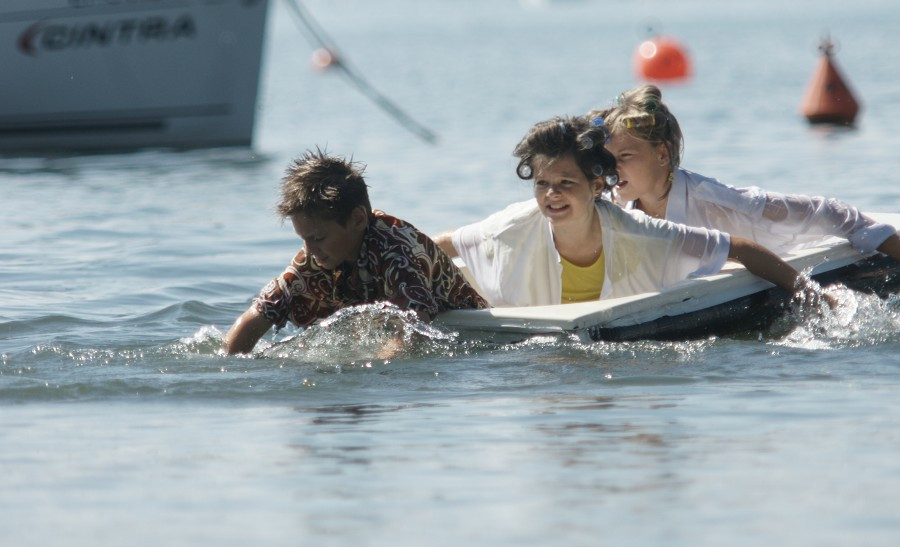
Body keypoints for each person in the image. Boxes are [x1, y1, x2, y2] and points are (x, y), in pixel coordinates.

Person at [434, 115, 820, 308]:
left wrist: (815, 300)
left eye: (566, 184)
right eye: (541, 184)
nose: (552, 195)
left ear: (597, 186)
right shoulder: (510, 227)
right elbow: (442, 243)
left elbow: (741, 248)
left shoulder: (640, 230)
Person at [594, 84, 900, 262]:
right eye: (610, 159)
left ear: (662, 154)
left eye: (625, 157)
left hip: (791, 262)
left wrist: (879, 237)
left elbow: (827, 212)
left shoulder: (713, 199)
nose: (613, 168)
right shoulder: (615, 203)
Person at [224, 149, 487, 355]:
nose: (310, 250)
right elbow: (252, 322)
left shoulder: (396, 252)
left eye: (317, 238)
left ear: (358, 219)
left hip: (479, 338)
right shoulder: (314, 258)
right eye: (304, 239)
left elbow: (411, 332)